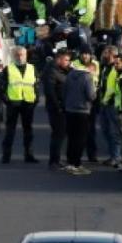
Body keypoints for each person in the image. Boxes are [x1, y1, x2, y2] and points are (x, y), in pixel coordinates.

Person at [0, 46, 39, 164]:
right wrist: (7, 100)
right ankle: (6, 156)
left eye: (22, 55)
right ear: (13, 56)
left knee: (28, 130)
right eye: (17, 55)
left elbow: (36, 85)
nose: (20, 57)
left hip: (28, 103)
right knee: (10, 130)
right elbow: (1, 87)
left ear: (26, 56)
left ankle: (29, 155)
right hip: (13, 103)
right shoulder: (8, 69)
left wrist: (36, 99)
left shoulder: (32, 68)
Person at [63, 45, 96, 175]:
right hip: (83, 111)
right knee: (81, 138)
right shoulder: (87, 77)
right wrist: (95, 94)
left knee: (71, 137)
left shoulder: (70, 75)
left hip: (70, 110)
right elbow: (90, 95)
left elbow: (64, 92)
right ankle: (77, 164)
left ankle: (70, 162)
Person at [43, 50, 71, 169]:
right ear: (58, 59)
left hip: (61, 106)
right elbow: (50, 92)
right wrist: (58, 106)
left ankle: (56, 159)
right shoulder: (52, 71)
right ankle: (54, 161)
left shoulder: (61, 70)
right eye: (66, 60)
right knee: (58, 134)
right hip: (56, 108)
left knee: (60, 134)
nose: (68, 63)